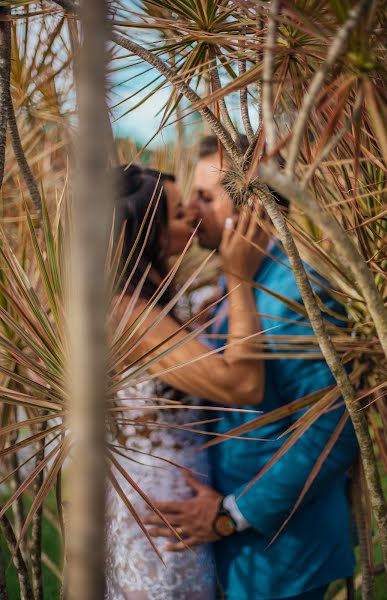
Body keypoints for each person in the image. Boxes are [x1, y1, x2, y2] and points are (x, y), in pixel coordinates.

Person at [144, 136, 360, 600]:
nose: (192, 211)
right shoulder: (232, 280)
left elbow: (334, 433)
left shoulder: (297, 293)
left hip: (281, 557)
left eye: (206, 197)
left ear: (254, 208)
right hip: (233, 553)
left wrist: (231, 514)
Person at [105, 164, 269, 600]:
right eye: (179, 213)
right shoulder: (129, 316)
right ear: (147, 230)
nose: (193, 215)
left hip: (181, 503)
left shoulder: (153, 299)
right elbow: (241, 385)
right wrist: (239, 279)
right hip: (162, 519)